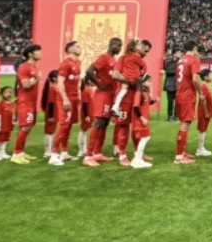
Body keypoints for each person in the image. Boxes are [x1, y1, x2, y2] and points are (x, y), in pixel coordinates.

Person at [82, 37, 123, 167]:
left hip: (110, 94)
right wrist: (98, 84)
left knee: (105, 123)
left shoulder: (113, 59)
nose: (120, 48)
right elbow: (89, 71)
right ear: (112, 45)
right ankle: (88, 156)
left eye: (121, 46)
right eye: (118, 45)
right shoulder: (104, 58)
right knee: (98, 122)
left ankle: (97, 153)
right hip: (103, 95)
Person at [111, 39, 148, 164]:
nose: (145, 53)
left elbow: (140, 79)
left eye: (147, 52)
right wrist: (130, 82)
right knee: (123, 125)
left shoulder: (142, 63)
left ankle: (138, 152)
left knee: (137, 125)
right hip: (125, 97)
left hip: (135, 96)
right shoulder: (123, 59)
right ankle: (122, 155)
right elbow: (116, 75)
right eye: (144, 50)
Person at [50, 41, 82, 166]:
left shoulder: (78, 63)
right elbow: (60, 82)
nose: (80, 48)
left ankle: (64, 152)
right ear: (71, 49)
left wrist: (77, 96)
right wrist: (65, 99)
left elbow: (76, 82)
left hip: (73, 98)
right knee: (64, 125)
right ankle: (53, 155)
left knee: (69, 126)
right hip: (65, 98)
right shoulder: (66, 63)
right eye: (77, 46)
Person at [11, 44, 43, 165]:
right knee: (25, 127)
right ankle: (15, 154)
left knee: (26, 127)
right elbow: (25, 85)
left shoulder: (34, 67)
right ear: (30, 54)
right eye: (38, 51)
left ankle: (21, 152)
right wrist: (37, 79)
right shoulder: (24, 67)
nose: (40, 53)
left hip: (31, 102)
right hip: (25, 102)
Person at [173, 40, 203, 164]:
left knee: (185, 123)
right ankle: (179, 156)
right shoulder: (194, 60)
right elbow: (195, 79)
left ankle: (182, 152)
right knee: (185, 124)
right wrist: (201, 93)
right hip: (188, 96)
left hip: (180, 94)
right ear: (194, 48)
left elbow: (177, 80)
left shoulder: (180, 61)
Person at [129, 73, 156, 168]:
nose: (150, 83)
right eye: (149, 81)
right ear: (143, 83)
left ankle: (137, 160)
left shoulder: (145, 93)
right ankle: (138, 160)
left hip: (143, 121)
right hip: (140, 122)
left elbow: (147, 103)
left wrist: (155, 101)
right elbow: (135, 107)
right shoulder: (139, 93)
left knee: (145, 138)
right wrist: (142, 118)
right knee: (145, 138)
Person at [0, 86, 15, 161]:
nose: (8, 94)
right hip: (2, 126)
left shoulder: (10, 104)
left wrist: (13, 122)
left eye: (10, 92)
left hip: (8, 126)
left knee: (5, 140)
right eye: (6, 92)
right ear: (2, 94)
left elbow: (12, 114)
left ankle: (2, 153)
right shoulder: (0, 105)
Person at [163, 50, 179, 122]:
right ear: (174, 54)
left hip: (177, 84)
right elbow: (166, 71)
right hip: (169, 84)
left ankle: (176, 116)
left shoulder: (180, 63)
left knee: (178, 101)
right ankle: (169, 116)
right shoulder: (168, 63)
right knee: (170, 101)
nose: (180, 54)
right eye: (178, 52)